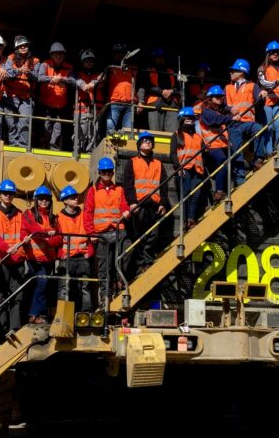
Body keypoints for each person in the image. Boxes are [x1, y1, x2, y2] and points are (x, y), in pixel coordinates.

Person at [0, 179, 31, 334]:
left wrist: (25, 240)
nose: (8, 196)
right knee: (1, 296)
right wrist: (7, 249)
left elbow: (24, 231)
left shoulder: (19, 213)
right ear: (0, 194)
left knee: (17, 296)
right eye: (5, 193)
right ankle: (3, 330)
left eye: (10, 194)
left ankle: (14, 328)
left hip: (17, 259)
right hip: (2, 260)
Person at [83, 157, 132, 300]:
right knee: (105, 266)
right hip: (102, 234)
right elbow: (87, 213)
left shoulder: (119, 189)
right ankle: (105, 294)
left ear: (112, 173)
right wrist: (91, 234)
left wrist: (126, 211)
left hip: (118, 231)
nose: (106, 174)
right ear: (99, 172)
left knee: (128, 251)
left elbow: (123, 205)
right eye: (104, 172)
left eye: (109, 172)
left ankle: (119, 281)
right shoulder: (92, 191)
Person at [121, 132, 169, 273]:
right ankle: (140, 265)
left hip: (154, 205)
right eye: (145, 140)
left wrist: (163, 203)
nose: (148, 142)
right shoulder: (132, 162)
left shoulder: (159, 164)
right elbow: (128, 185)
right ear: (139, 145)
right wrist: (132, 202)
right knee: (139, 236)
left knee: (153, 236)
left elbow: (164, 186)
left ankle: (148, 262)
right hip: (139, 205)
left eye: (150, 141)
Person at [22, 186, 62, 323]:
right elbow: (31, 229)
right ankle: (35, 314)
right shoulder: (28, 214)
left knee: (43, 286)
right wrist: (47, 235)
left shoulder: (54, 218)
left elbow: (59, 238)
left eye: (47, 199)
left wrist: (49, 241)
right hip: (34, 258)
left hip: (49, 259)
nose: (44, 202)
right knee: (41, 284)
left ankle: (39, 314)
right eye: (41, 199)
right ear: (36, 200)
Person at [199, 85, 244, 201]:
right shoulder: (206, 112)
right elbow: (216, 121)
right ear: (210, 98)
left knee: (227, 165)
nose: (220, 98)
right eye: (217, 97)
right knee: (224, 164)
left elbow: (224, 110)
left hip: (222, 144)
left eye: (221, 97)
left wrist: (229, 109)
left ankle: (222, 191)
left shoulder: (218, 110)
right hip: (212, 145)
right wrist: (232, 119)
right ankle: (218, 191)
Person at [56, 185, 94, 313]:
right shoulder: (58, 218)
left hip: (83, 257)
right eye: (72, 198)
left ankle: (86, 312)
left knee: (85, 287)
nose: (76, 199)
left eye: (76, 197)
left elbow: (90, 232)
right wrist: (60, 254)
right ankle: (63, 314)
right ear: (65, 200)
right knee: (64, 288)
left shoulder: (84, 214)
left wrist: (90, 251)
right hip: (67, 258)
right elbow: (56, 240)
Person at [226, 58, 269, 168]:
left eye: (233, 71)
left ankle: (258, 159)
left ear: (241, 72)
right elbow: (222, 106)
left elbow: (259, 102)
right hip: (233, 124)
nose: (230, 73)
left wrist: (262, 96)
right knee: (236, 153)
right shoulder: (227, 88)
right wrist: (229, 108)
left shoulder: (252, 86)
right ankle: (239, 179)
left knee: (259, 129)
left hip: (248, 122)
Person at [170, 107, 205, 229]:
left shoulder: (199, 137)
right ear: (181, 120)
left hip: (197, 170)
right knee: (185, 194)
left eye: (192, 118)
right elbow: (173, 154)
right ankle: (185, 220)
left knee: (196, 195)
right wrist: (178, 167)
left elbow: (203, 154)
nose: (190, 120)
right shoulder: (176, 135)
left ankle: (191, 219)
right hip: (184, 169)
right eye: (187, 118)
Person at [37, 42, 76, 151]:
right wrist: (52, 79)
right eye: (55, 54)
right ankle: (44, 147)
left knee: (58, 129)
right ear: (51, 55)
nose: (58, 56)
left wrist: (63, 80)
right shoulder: (45, 64)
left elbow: (73, 80)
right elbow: (39, 78)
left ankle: (54, 150)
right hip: (46, 103)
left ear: (64, 55)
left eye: (60, 54)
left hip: (61, 105)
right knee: (47, 128)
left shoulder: (69, 67)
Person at [3, 35, 40, 148]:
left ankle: (23, 146)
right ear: (16, 48)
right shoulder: (10, 58)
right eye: (20, 46)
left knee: (25, 121)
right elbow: (8, 72)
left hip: (27, 96)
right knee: (10, 122)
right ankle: (14, 144)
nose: (23, 47)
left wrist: (29, 73)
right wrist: (19, 70)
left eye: (25, 45)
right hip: (11, 95)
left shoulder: (35, 61)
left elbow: (38, 77)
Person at [256, 40, 279, 154]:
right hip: (267, 102)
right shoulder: (262, 68)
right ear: (268, 54)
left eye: (277, 52)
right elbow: (263, 82)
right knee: (269, 127)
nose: (275, 54)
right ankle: (269, 153)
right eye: (272, 52)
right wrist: (276, 82)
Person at [138, 47, 179, 132]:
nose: (160, 59)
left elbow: (180, 88)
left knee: (173, 133)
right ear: (154, 59)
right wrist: (141, 101)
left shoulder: (172, 71)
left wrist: (171, 91)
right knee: (156, 132)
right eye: (158, 57)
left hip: (172, 104)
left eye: (162, 57)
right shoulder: (148, 70)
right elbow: (144, 86)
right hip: (155, 104)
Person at [103, 43, 137, 135]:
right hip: (114, 103)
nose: (120, 55)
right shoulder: (109, 68)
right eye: (117, 53)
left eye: (122, 53)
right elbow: (103, 85)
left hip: (130, 104)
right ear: (113, 55)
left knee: (128, 132)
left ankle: (126, 150)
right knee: (110, 130)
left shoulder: (133, 68)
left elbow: (140, 86)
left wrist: (140, 101)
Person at [75, 48, 103, 152]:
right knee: (81, 131)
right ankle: (78, 150)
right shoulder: (77, 74)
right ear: (82, 62)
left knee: (94, 132)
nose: (89, 63)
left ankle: (92, 152)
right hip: (81, 109)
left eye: (91, 61)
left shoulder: (100, 75)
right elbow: (75, 80)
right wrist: (83, 85)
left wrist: (93, 83)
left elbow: (101, 80)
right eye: (86, 61)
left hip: (96, 109)